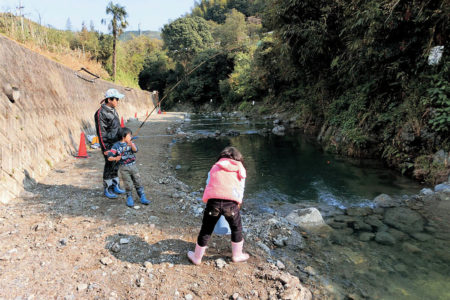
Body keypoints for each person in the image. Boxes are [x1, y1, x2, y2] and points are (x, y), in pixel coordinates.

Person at [187, 146, 249, 265]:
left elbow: (208, 183)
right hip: (231, 205)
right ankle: (237, 255)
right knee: (237, 229)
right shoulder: (240, 169)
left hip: (213, 204)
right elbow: (241, 188)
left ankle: (197, 257)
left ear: (221, 157)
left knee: (206, 230)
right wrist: (238, 202)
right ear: (238, 158)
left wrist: (208, 199)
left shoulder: (215, 167)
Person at [94, 88, 126, 199]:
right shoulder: (100, 113)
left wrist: (124, 137)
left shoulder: (113, 110)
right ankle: (107, 189)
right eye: (116, 99)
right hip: (108, 146)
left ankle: (115, 186)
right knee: (109, 166)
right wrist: (106, 149)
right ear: (109, 99)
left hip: (117, 144)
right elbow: (101, 133)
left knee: (116, 164)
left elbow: (116, 128)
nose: (118, 101)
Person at [107, 127, 150, 207]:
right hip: (123, 168)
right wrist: (115, 158)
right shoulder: (116, 146)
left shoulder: (130, 143)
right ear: (123, 137)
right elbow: (109, 157)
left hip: (133, 166)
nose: (131, 137)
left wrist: (132, 144)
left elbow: (136, 150)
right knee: (128, 184)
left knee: (138, 181)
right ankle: (129, 197)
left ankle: (142, 197)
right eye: (129, 135)